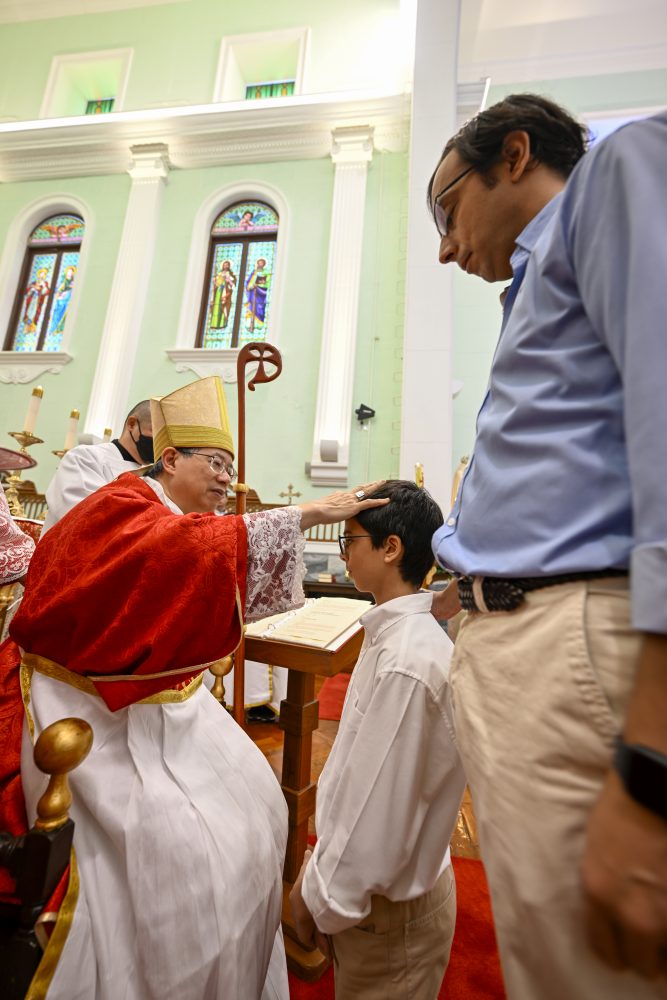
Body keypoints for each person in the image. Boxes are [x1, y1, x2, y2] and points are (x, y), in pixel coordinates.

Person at [0, 375, 387, 1000]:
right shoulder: (120, 503)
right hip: (87, 715)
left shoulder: (162, 512)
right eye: (215, 462)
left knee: (259, 808)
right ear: (170, 457)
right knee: (188, 865)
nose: (227, 478)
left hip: (152, 711)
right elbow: (169, 552)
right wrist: (311, 512)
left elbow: (183, 554)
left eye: (231, 466)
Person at [429, 98, 667, 997]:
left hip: (573, 645)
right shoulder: (538, 276)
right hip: (533, 633)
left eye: (445, 209)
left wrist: (649, 765)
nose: (446, 247)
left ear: (515, 153)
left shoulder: (618, 172)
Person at [290, 481, 465, 999]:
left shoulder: (408, 661)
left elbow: (376, 814)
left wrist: (318, 901)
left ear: (391, 549)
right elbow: (361, 772)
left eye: (350, 541)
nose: (344, 553)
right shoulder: (397, 632)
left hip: (388, 915)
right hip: (380, 894)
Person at [41, 398, 154, 533]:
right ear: (132, 424)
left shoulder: (154, 477)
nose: (161, 443)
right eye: (155, 432)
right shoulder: (84, 458)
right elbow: (85, 515)